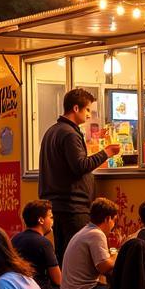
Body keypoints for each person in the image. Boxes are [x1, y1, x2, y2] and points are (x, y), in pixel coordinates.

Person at [38, 88, 120, 260]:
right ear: (76, 108)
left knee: (63, 255)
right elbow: (80, 165)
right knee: (78, 256)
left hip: (55, 205)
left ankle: (63, 287)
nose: (89, 115)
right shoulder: (69, 134)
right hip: (73, 206)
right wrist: (107, 152)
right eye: (88, 109)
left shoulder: (51, 132)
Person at [60, 198, 117, 289]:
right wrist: (116, 255)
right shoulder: (96, 234)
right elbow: (104, 267)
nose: (113, 225)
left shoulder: (85, 231)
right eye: (114, 220)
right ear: (107, 218)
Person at [12, 200, 62, 289]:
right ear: (41, 220)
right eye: (50, 217)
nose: (53, 221)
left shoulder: (14, 239)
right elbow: (58, 280)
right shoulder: (44, 243)